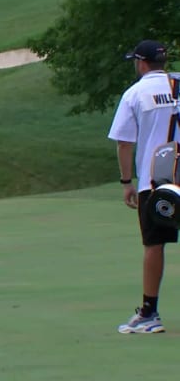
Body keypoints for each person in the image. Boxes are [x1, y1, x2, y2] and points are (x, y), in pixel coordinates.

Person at [109, 39, 173, 334]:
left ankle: (149, 312)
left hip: (156, 179)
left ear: (141, 63)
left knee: (154, 245)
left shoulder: (135, 93)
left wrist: (126, 182)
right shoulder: (178, 84)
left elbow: (124, 143)